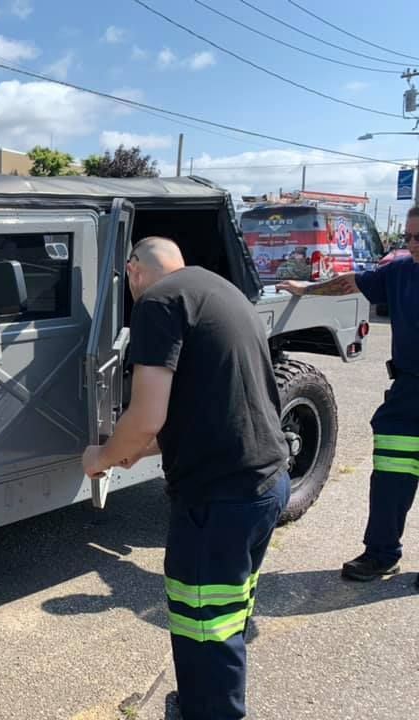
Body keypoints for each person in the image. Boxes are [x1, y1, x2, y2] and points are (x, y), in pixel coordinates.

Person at [82, 237, 291, 720]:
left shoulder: (158, 302)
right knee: (226, 612)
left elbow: (147, 414)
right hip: (265, 481)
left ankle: (211, 711)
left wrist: (103, 455)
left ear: (133, 269)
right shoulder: (220, 290)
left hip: (218, 497)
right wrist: (140, 449)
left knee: (202, 621)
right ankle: (207, 701)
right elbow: (213, 402)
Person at [278, 205, 419, 586]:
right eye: (407, 237)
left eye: (418, 237)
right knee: (390, 475)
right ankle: (380, 555)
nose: (411, 245)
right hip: (408, 395)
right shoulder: (402, 270)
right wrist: (307, 289)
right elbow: (351, 282)